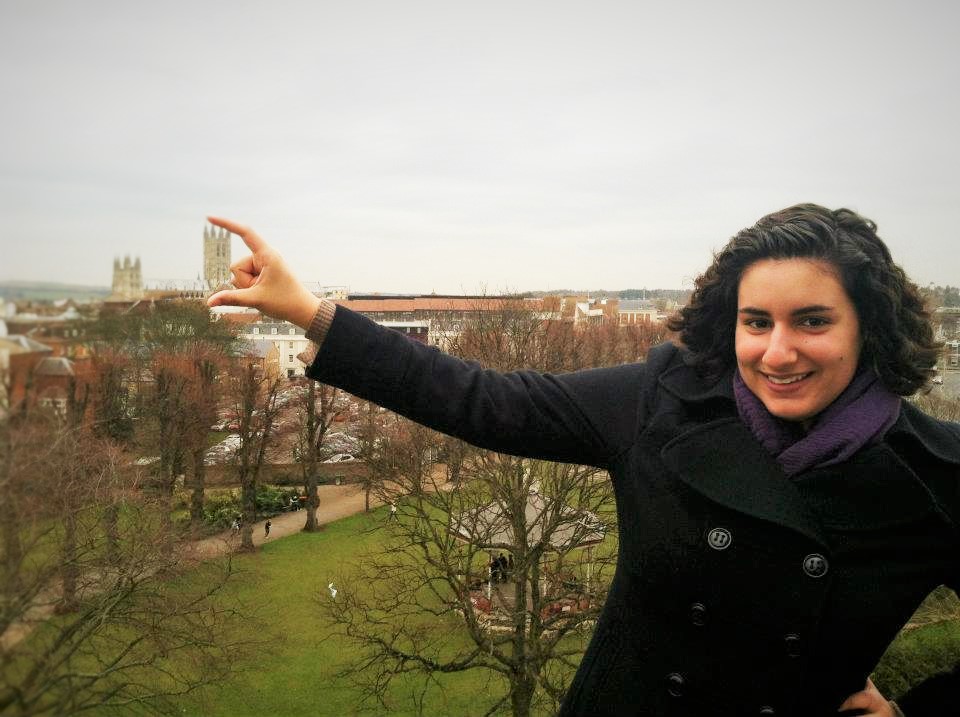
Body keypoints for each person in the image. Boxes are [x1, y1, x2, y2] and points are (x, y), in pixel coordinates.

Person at [208, 205, 958, 716]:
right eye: (755, 321)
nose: (777, 350)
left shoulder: (935, 473)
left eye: (813, 321)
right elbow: (484, 399)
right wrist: (309, 311)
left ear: (870, 328)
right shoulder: (662, 402)